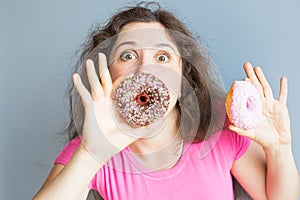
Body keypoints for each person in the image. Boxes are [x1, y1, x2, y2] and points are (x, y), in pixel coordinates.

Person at [33, 2, 299, 200]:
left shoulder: (219, 127)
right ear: (108, 75)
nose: (146, 70)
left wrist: (279, 149)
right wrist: (91, 155)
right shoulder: (92, 147)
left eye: (162, 57)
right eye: (128, 56)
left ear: (183, 74)